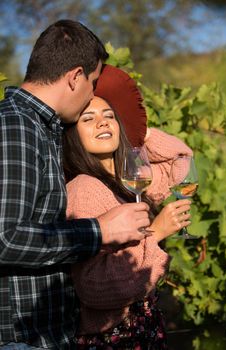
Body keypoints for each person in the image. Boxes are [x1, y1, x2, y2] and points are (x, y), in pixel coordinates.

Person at [0, 22, 152, 350]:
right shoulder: (16, 128)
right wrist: (98, 231)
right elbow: (5, 238)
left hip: (45, 334)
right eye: (92, 83)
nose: (90, 97)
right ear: (74, 76)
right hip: (21, 338)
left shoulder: (41, 128)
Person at [63, 64, 193, 349]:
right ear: (71, 134)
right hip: (114, 339)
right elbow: (93, 287)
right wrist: (156, 234)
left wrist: (137, 130)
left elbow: (181, 159)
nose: (102, 122)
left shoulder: (127, 177)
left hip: (142, 331)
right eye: (88, 118)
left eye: (109, 116)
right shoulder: (84, 188)